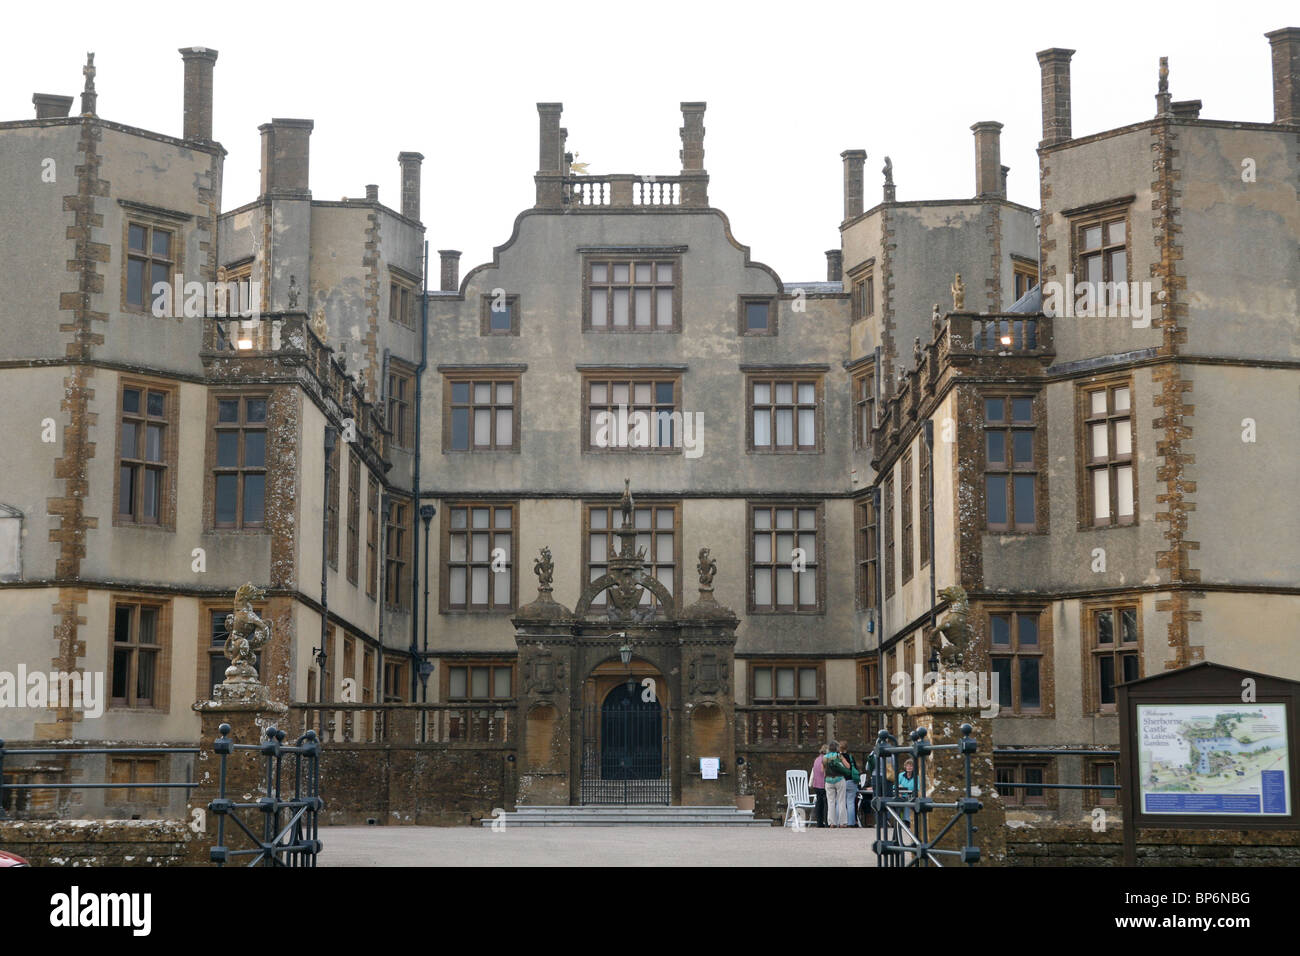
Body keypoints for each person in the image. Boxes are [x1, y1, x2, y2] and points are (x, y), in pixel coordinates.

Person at [823, 740, 850, 828]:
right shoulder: (839, 756)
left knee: (831, 802)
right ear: (837, 748)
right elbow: (848, 766)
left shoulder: (825, 757)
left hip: (828, 780)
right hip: (839, 779)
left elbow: (822, 770)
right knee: (841, 801)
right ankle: (842, 823)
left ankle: (832, 823)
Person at [840, 748, 863, 827]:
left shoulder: (837, 757)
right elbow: (855, 768)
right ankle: (851, 823)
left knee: (841, 802)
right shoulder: (850, 757)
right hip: (851, 781)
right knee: (850, 803)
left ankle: (841, 822)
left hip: (841, 781)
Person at [809, 744, 828, 828]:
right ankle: (826, 821)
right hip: (823, 784)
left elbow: (813, 772)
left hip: (816, 784)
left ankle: (819, 822)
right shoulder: (825, 759)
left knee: (819, 803)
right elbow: (824, 772)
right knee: (826, 804)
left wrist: (811, 783)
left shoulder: (816, 759)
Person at [897, 758, 917, 827]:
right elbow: (894, 786)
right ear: (905, 767)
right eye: (907, 766)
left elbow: (918, 788)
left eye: (911, 766)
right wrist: (898, 791)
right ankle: (897, 822)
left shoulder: (917, 777)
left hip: (911, 796)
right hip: (901, 795)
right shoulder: (900, 775)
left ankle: (906, 821)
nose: (909, 767)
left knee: (908, 802)